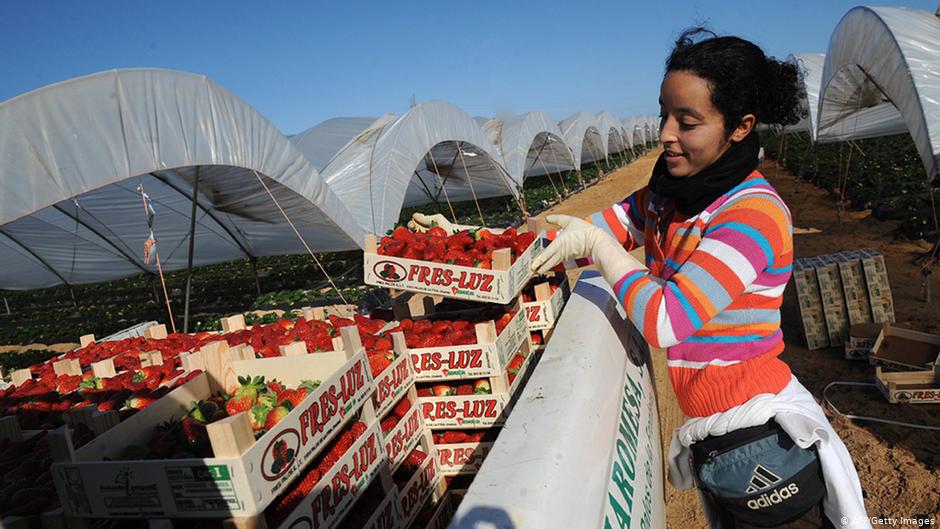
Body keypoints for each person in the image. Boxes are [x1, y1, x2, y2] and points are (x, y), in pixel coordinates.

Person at [411, 28, 870, 529]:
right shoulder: (667, 196)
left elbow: (667, 320)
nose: (665, 134)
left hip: (760, 437)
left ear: (740, 127)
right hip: (715, 434)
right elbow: (579, 234)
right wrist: (476, 238)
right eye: (663, 114)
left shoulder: (752, 213)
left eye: (687, 122)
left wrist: (603, 251)